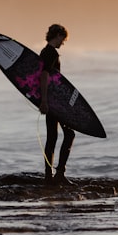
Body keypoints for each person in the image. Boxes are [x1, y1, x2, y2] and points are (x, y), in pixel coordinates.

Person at [39, 24, 75, 186]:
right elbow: (44, 76)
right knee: (69, 134)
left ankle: (49, 177)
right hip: (53, 101)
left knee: (52, 137)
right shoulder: (51, 53)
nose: (63, 43)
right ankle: (58, 174)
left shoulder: (45, 51)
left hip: (51, 100)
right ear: (58, 35)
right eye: (63, 39)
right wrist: (45, 101)